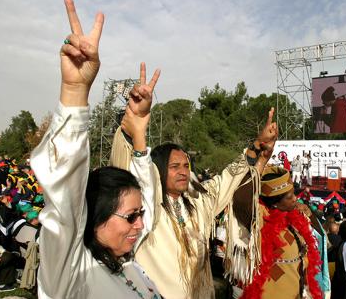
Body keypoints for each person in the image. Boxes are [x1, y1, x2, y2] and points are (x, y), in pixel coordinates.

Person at [30, 0, 161, 298]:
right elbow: (65, 203)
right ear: (96, 218)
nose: (141, 223)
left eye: (138, 214)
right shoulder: (72, 277)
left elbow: (149, 207)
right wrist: (75, 92)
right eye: (132, 217)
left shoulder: (126, 262)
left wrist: (139, 136)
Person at [110, 102, 278, 296]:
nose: (183, 172)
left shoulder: (198, 203)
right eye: (174, 167)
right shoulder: (147, 210)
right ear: (158, 170)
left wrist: (257, 145)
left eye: (185, 166)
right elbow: (137, 174)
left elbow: (226, 180)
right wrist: (134, 130)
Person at [236, 167, 323, 299]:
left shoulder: (293, 219)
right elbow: (240, 200)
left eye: (294, 193)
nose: (295, 199)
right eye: (289, 197)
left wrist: (310, 214)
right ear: (275, 204)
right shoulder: (261, 220)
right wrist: (258, 164)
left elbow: (319, 238)